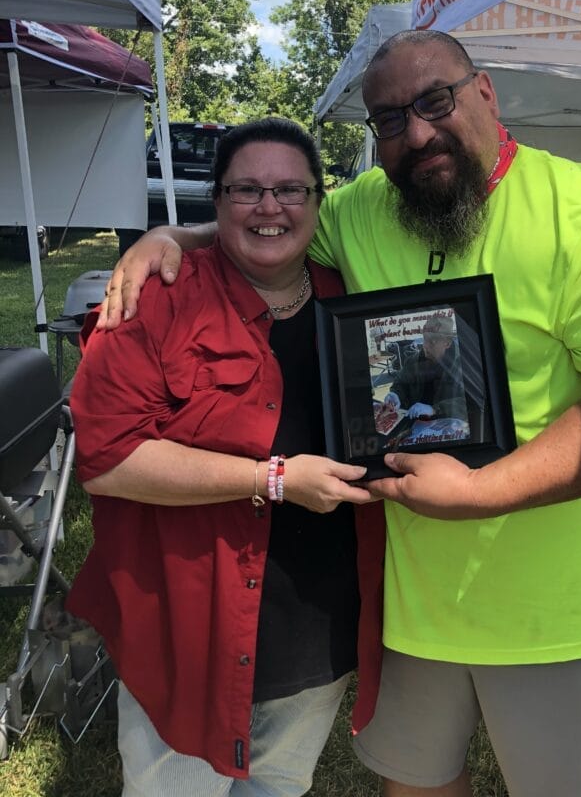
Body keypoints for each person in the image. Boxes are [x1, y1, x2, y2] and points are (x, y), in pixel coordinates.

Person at [98, 31, 581, 797]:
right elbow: (273, 224)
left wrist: (485, 491)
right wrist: (169, 236)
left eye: (435, 101)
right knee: (414, 787)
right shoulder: (366, 210)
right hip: (411, 614)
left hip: (562, 616)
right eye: (388, 119)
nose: (416, 132)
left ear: (486, 94)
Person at [66, 118, 383, 797]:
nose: (270, 207)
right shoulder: (156, 301)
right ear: (216, 203)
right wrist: (271, 479)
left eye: (290, 189)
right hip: (187, 630)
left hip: (315, 628)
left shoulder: (351, 301)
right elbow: (106, 457)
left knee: (276, 788)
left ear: (318, 202)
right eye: (247, 190)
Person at [383, 314, 467, 422]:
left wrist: (434, 409)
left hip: (446, 425)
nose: (425, 346)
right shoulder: (412, 361)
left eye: (432, 341)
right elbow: (400, 383)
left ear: (447, 343)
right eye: (425, 339)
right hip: (413, 422)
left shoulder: (462, 366)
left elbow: (465, 403)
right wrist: (395, 394)